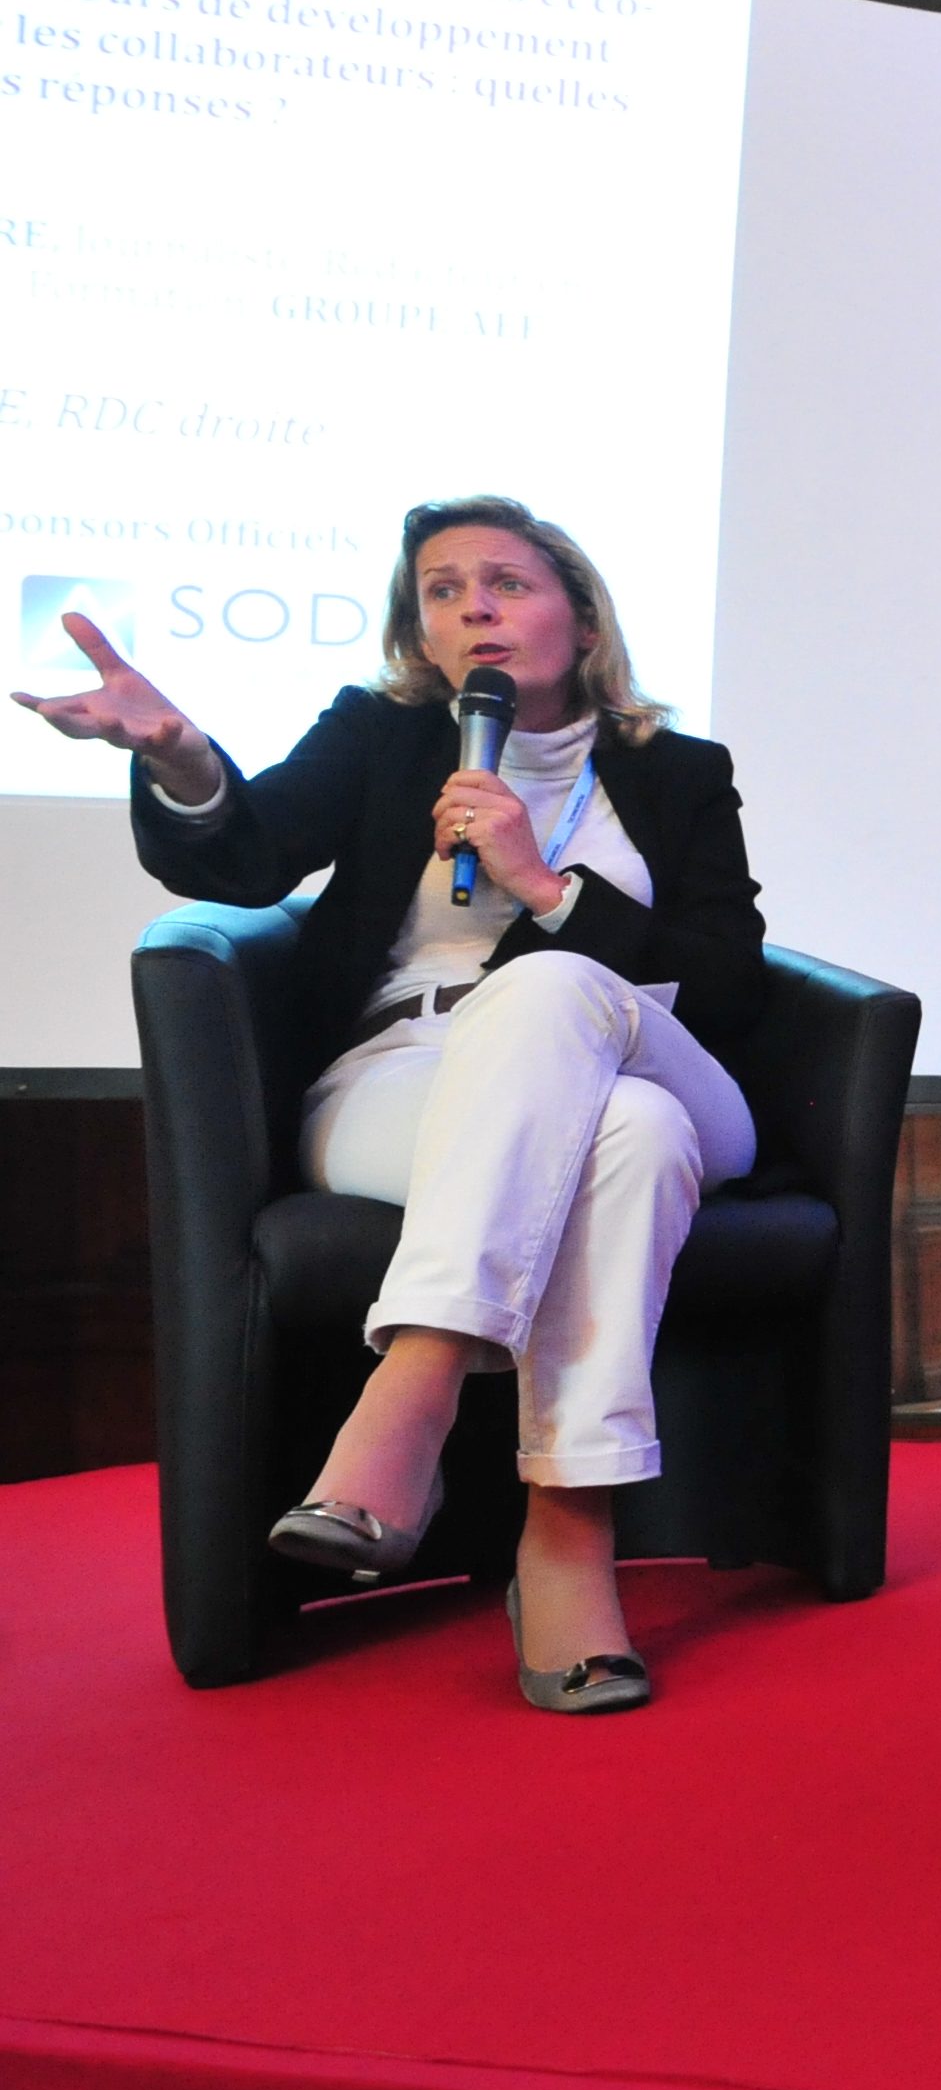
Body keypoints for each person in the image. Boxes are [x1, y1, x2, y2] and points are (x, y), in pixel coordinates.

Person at [14, 498, 767, 1714]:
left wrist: (542, 887)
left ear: (578, 617)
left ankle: (409, 1391)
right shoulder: (381, 734)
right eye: (441, 589)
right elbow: (245, 858)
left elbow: (731, 982)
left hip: (647, 1049)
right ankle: (568, 1540)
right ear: (419, 633)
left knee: (560, 990)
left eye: (506, 582)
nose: (473, 605)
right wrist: (179, 757)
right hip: (403, 1081)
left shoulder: (678, 774)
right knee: (629, 1141)